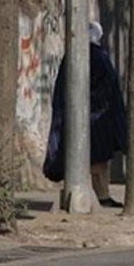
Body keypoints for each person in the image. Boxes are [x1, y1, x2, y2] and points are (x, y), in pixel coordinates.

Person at [43, 22, 129, 208]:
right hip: (97, 120)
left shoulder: (74, 55)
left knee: (95, 158)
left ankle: (98, 194)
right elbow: (107, 90)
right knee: (98, 159)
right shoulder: (97, 57)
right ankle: (101, 196)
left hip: (84, 117)